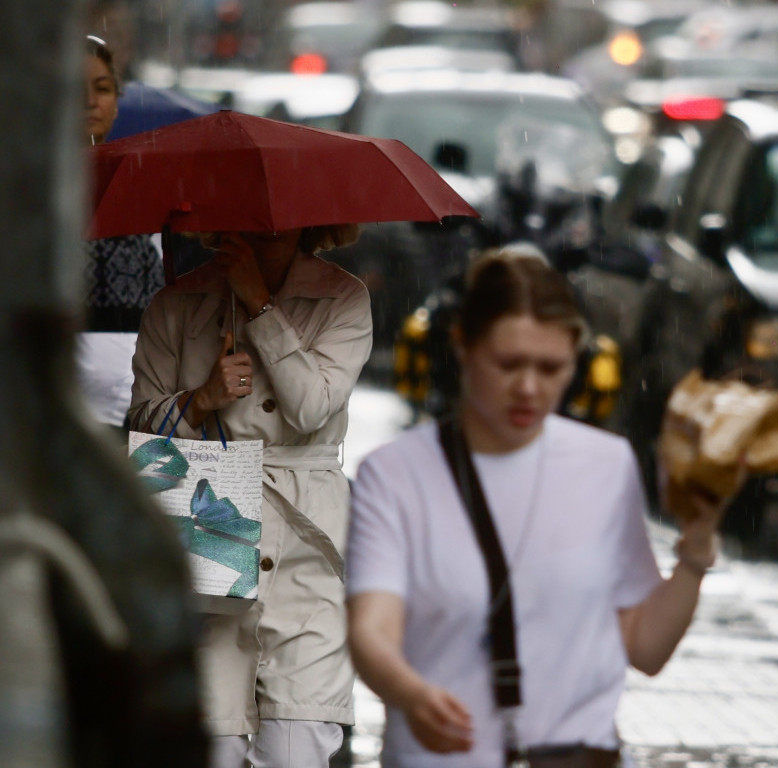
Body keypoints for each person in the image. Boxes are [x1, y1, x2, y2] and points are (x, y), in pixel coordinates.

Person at [345, 247, 727, 768]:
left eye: (551, 368)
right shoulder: (394, 474)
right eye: (509, 364)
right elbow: (372, 630)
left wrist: (694, 556)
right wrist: (410, 693)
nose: (529, 387)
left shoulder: (607, 464)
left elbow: (644, 647)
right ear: (463, 346)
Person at [128, 224, 372, 767]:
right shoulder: (177, 302)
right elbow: (143, 434)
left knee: (298, 744)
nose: (264, 225)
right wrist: (200, 400)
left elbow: (311, 408)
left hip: (307, 544)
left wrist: (260, 307)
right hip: (207, 531)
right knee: (209, 739)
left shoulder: (343, 297)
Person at [79, 34, 165, 436]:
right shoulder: (26, 194)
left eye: (102, 88)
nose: (90, 102)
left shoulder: (144, 187)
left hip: (139, 420)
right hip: (47, 419)